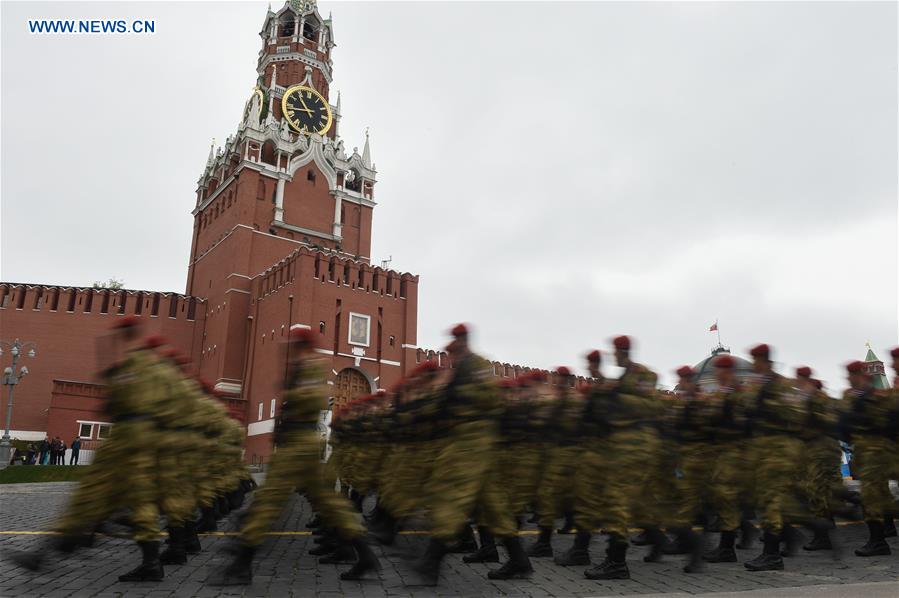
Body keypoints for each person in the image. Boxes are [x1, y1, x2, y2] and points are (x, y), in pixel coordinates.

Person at [209, 327, 379, 585]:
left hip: (298, 445)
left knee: (268, 501)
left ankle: (241, 562)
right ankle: (364, 554)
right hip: (296, 443)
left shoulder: (310, 366)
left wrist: (291, 392)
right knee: (326, 504)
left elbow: (315, 400)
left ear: (302, 345)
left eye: (293, 344)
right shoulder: (301, 367)